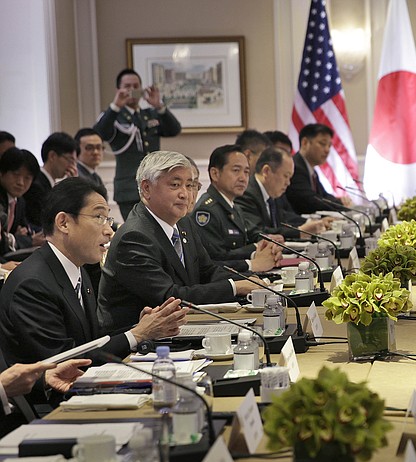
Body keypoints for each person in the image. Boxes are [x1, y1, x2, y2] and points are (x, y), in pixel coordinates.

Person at [0, 177, 185, 404]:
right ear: (64, 223)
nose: (109, 230)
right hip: (51, 407)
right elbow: (64, 362)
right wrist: (137, 335)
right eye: (99, 217)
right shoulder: (32, 284)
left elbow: (92, 342)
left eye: (108, 219)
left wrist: (140, 328)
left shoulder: (77, 269)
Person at [98, 151, 269, 331]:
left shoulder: (183, 222)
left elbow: (207, 271)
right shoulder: (134, 237)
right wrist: (235, 287)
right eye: (175, 185)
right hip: (136, 344)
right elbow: (170, 296)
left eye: (189, 185)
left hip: (178, 328)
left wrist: (249, 281)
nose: (185, 194)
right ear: (147, 188)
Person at [94, 68, 181, 220]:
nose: (132, 90)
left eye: (136, 86)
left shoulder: (149, 114)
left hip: (155, 187)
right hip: (129, 188)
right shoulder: (114, 115)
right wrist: (115, 106)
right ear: (118, 89)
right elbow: (99, 134)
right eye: (127, 86)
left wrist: (158, 105)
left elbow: (174, 129)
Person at [192, 145, 281, 272]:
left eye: (246, 172)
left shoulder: (234, 207)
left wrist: (268, 245)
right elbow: (216, 258)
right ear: (215, 174)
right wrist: (256, 250)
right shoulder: (206, 211)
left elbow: (253, 234)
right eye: (236, 170)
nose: (243, 178)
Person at [238, 147, 332, 240]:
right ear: (266, 171)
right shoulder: (246, 194)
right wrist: (299, 231)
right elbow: (258, 232)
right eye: (285, 176)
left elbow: (285, 218)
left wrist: (313, 222)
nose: (288, 183)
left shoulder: (273, 194)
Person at [0, 354, 92, 436]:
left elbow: (6, 375)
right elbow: (4, 382)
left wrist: (45, 378)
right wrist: (2, 387)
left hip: (29, 427)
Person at [284, 123, 351, 213]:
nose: (327, 150)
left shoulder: (312, 171)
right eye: (322, 144)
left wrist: (340, 200)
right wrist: (340, 204)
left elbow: (323, 195)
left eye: (329, 146)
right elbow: (311, 201)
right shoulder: (295, 167)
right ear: (305, 143)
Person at [25, 132, 78, 232]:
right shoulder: (36, 185)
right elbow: (45, 222)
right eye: (70, 160)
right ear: (52, 156)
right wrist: (71, 187)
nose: (73, 167)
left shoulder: (48, 183)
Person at [0, 147, 38, 255]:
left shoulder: (20, 201)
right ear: (2, 172)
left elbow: (26, 229)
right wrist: (28, 240)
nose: (21, 182)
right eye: (16, 174)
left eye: (27, 178)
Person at [74, 128, 107, 197]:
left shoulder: (95, 176)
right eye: (89, 148)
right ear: (77, 150)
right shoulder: (76, 175)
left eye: (99, 147)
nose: (95, 152)